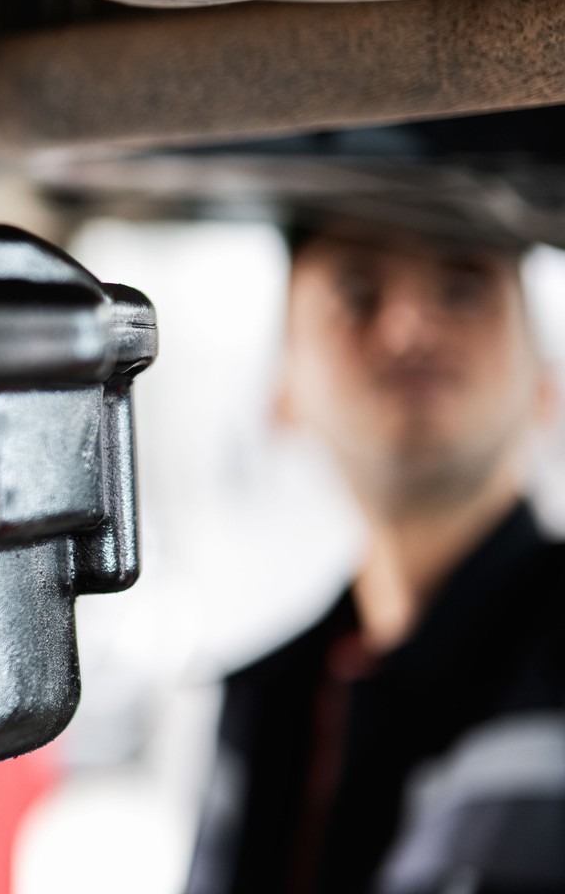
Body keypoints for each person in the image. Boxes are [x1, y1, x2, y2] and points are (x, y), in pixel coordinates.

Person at [186, 217, 565, 894]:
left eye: (463, 288)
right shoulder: (265, 706)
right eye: (356, 292)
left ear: (548, 386)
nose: (407, 329)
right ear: (283, 394)